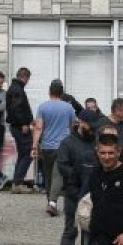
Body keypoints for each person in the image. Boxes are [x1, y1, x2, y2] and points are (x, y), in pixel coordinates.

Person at [56, 109, 99, 245]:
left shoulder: (96, 141)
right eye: (90, 126)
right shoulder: (68, 142)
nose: (92, 129)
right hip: (73, 193)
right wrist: (79, 175)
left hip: (93, 195)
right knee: (71, 231)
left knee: (89, 232)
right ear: (81, 122)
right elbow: (62, 166)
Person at [32, 80, 76, 216]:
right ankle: (52, 203)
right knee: (58, 175)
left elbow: (38, 127)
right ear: (62, 92)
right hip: (63, 145)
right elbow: (72, 126)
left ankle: (50, 202)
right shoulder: (68, 108)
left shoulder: (43, 107)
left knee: (48, 174)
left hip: (46, 146)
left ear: (49, 91)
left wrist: (35, 145)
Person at [5, 67, 34, 193]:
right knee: (27, 154)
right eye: (27, 79)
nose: (27, 82)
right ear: (24, 77)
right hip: (20, 127)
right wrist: (24, 123)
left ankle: (17, 183)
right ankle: (17, 183)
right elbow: (17, 108)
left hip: (16, 126)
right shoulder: (17, 89)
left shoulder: (14, 88)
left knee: (23, 154)